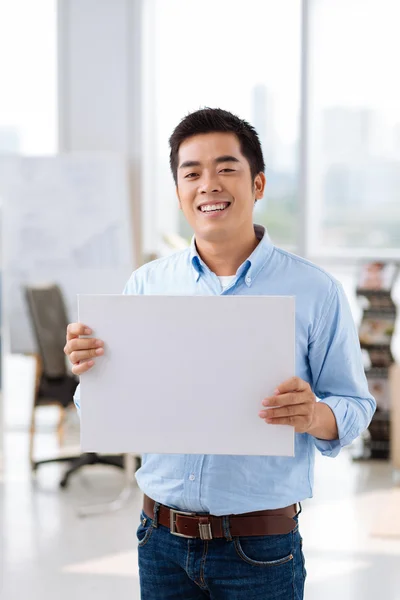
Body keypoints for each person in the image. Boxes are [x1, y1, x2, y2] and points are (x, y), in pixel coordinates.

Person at [64, 108, 376, 599]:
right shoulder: (147, 285)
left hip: (260, 549)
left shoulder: (316, 291)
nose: (208, 184)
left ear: (258, 184)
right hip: (160, 541)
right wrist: (93, 374)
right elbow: (106, 409)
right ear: (179, 192)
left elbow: (357, 406)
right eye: (192, 173)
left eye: (226, 168)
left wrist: (314, 415)